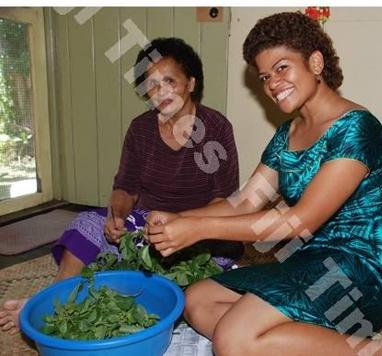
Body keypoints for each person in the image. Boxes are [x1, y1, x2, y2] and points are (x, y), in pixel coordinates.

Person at [144, 13, 382, 356]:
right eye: (265, 76)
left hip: (358, 270)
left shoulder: (358, 129)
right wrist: (180, 220)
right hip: (308, 265)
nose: (272, 84)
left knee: (234, 338)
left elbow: (300, 222)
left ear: (315, 62)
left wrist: (199, 228)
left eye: (282, 68)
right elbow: (245, 201)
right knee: (196, 300)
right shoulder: (286, 135)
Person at [0, 37, 243, 335]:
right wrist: (117, 214)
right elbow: (125, 188)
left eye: (170, 80)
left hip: (200, 231)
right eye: (152, 84)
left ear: (191, 83)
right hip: (147, 225)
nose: (161, 91)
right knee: (89, 223)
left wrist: (183, 224)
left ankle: (132, 288)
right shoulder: (141, 129)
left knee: (196, 275)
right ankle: (55, 299)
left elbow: (226, 201)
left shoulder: (216, 129)